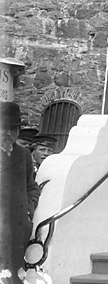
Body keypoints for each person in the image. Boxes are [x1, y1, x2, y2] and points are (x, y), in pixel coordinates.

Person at [0, 102, 40, 284]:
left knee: (14, 277)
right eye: (4, 128)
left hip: (16, 230)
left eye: (13, 129)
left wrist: (27, 210)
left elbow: (32, 187)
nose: (8, 133)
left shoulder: (24, 155)